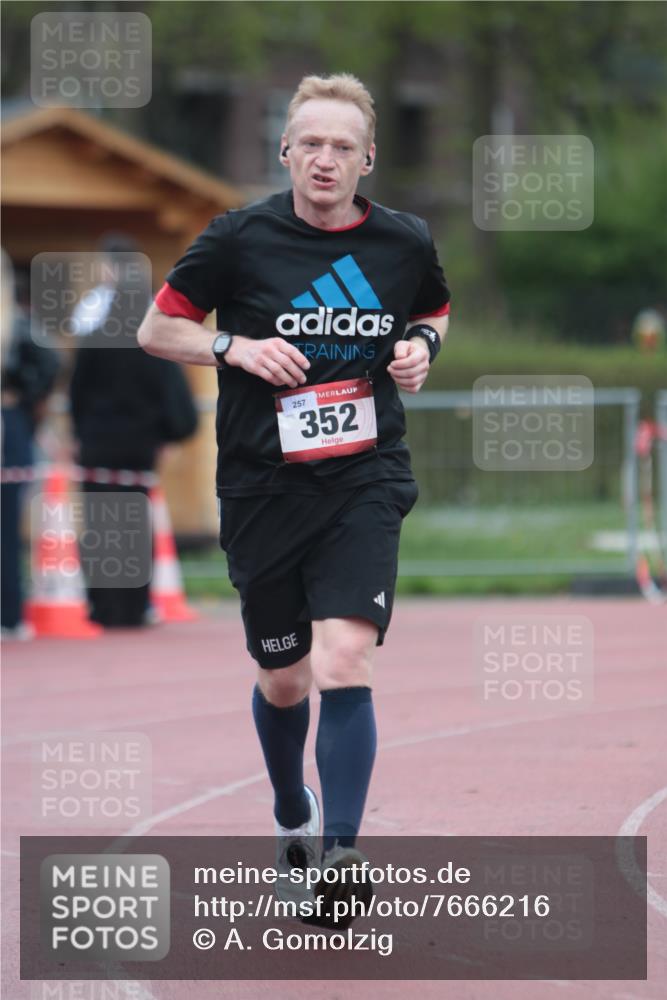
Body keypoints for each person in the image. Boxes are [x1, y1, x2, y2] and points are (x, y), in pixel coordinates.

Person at [138, 73, 450, 923]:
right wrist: (233, 346)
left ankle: (343, 853)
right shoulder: (239, 238)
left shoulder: (402, 241)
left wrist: (421, 344)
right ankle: (291, 816)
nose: (325, 158)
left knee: (344, 657)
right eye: (309, 142)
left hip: (363, 476)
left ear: (367, 158)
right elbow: (156, 328)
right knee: (283, 678)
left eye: (342, 146)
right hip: (261, 483)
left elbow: (434, 307)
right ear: (285, 151)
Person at [69, 234, 198, 627]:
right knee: (135, 524)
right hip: (140, 442)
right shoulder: (151, 330)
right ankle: (134, 606)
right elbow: (170, 389)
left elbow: (78, 388)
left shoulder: (92, 328)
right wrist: (171, 434)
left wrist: (77, 433)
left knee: (99, 523)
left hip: (97, 441)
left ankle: (101, 606)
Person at [1, 260, 60, 637]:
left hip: (11, 425)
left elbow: (50, 361)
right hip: (13, 423)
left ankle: (9, 612)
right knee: (6, 525)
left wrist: (26, 403)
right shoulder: (19, 327)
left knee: (6, 524)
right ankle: (10, 613)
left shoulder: (18, 327)